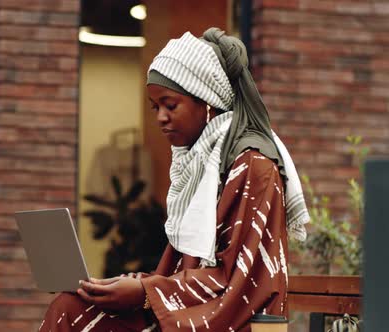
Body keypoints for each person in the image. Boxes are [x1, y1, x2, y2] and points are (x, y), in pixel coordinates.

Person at [40, 27, 310, 332]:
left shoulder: (253, 165)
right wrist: (138, 286)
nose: (161, 118)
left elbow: (242, 282)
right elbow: (188, 272)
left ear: (206, 101)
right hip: (190, 308)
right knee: (70, 307)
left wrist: (146, 292)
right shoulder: (202, 162)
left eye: (171, 105)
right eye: (155, 107)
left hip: (231, 320)